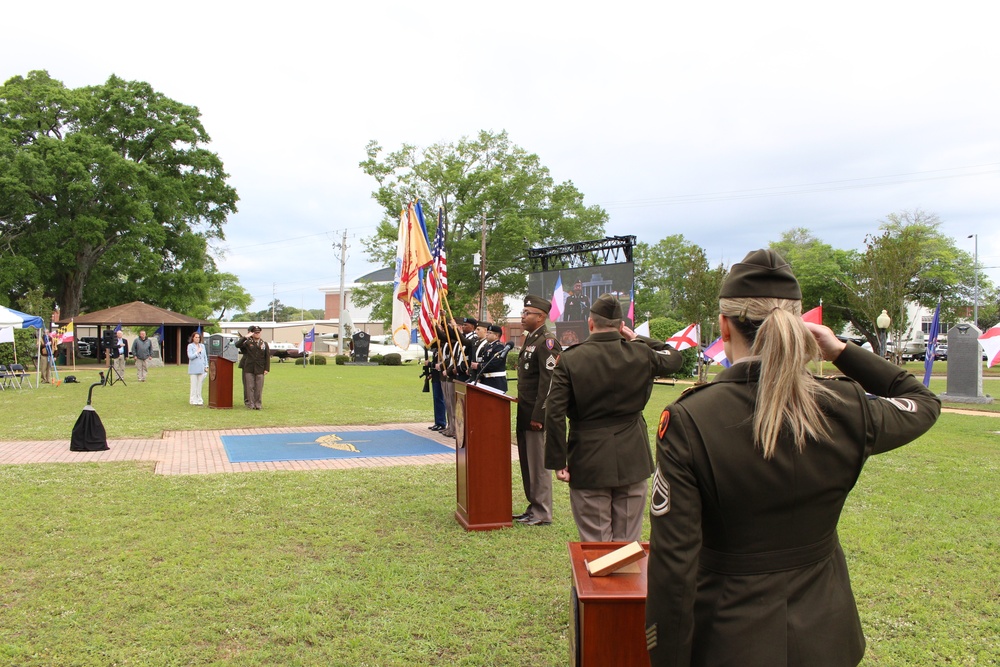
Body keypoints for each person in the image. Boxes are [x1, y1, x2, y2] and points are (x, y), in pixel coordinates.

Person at [644, 249, 941, 667]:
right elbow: (921, 401)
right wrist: (841, 352)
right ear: (803, 326)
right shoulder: (845, 406)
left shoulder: (692, 418)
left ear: (723, 326)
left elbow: (674, 566)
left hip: (730, 638)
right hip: (828, 635)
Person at [544, 294, 683, 542]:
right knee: (628, 544)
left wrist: (558, 460)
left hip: (589, 459)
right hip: (633, 457)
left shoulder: (571, 359)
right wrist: (637, 338)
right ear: (621, 327)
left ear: (590, 323)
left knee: (596, 545)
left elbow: (554, 412)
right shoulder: (641, 353)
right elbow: (673, 357)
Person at [514, 295, 561, 526]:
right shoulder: (531, 339)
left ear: (540, 316)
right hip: (524, 411)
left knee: (538, 465)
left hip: (536, 414)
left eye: (527, 313)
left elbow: (549, 382)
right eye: (523, 313)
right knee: (527, 463)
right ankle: (533, 507)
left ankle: (542, 512)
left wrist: (539, 415)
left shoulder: (547, 342)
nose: (523, 317)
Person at [235, 325, 270, 409]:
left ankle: (258, 404)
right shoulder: (248, 343)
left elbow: (267, 357)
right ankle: (251, 404)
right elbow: (237, 345)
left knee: (259, 387)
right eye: (255, 332)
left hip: (260, 368)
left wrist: (266, 368)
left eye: (258, 332)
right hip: (249, 368)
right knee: (249, 387)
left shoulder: (264, 344)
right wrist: (245, 337)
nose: (257, 334)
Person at [472, 323, 511, 392]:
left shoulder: (499, 346)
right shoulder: (488, 346)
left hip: (496, 381)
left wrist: (478, 366)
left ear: (496, 335)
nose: (487, 334)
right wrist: (480, 377)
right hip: (487, 380)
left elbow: (494, 363)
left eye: (489, 333)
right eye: (487, 332)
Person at [187, 331, 208, 405]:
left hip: (201, 368)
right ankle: (193, 399)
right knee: (194, 385)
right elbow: (190, 356)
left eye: (198, 337)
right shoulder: (190, 346)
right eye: (196, 337)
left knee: (200, 384)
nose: (197, 339)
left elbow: (205, 357)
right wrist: (197, 352)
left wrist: (206, 366)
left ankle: (199, 398)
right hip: (193, 368)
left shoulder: (202, 346)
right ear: (193, 338)